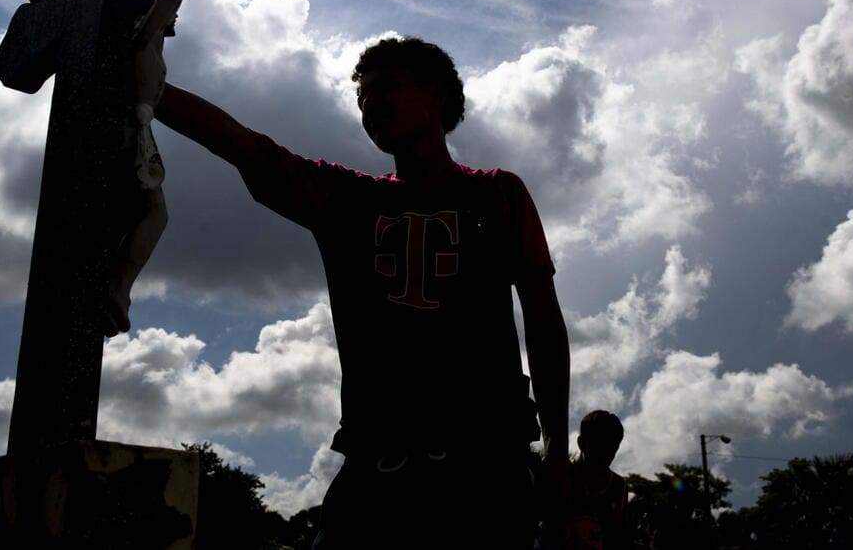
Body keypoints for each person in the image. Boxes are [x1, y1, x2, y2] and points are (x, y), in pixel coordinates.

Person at [154, 29, 570, 547]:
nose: (372, 104)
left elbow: (544, 321)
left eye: (387, 87)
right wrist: (148, 84)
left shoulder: (498, 194)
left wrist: (555, 449)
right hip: (378, 465)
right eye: (362, 96)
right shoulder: (347, 200)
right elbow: (245, 146)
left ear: (437, 95)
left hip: (483, 465)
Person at [566, 410, 630, 550]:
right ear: (581, 443)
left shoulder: (619, 487)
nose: (606, 455)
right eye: (599, 446)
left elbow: (620, 536)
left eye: (612, 448)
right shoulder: (563, 475)